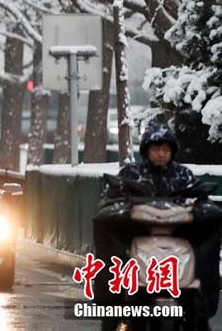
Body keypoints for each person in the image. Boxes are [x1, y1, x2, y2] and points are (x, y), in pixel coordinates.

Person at [94, 122, 220, 330]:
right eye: (156, 149)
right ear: (146, 150)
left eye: (165, 149)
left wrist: (201, 209)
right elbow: (108, 200)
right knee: (111, 254)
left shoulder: (183, 176)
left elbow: (201, 198)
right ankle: (111, 305)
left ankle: (202, 310)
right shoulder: (131, 174)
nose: (161, 154)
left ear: (172, 151)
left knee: (208, 242)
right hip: (136, 240)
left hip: (179, 241)